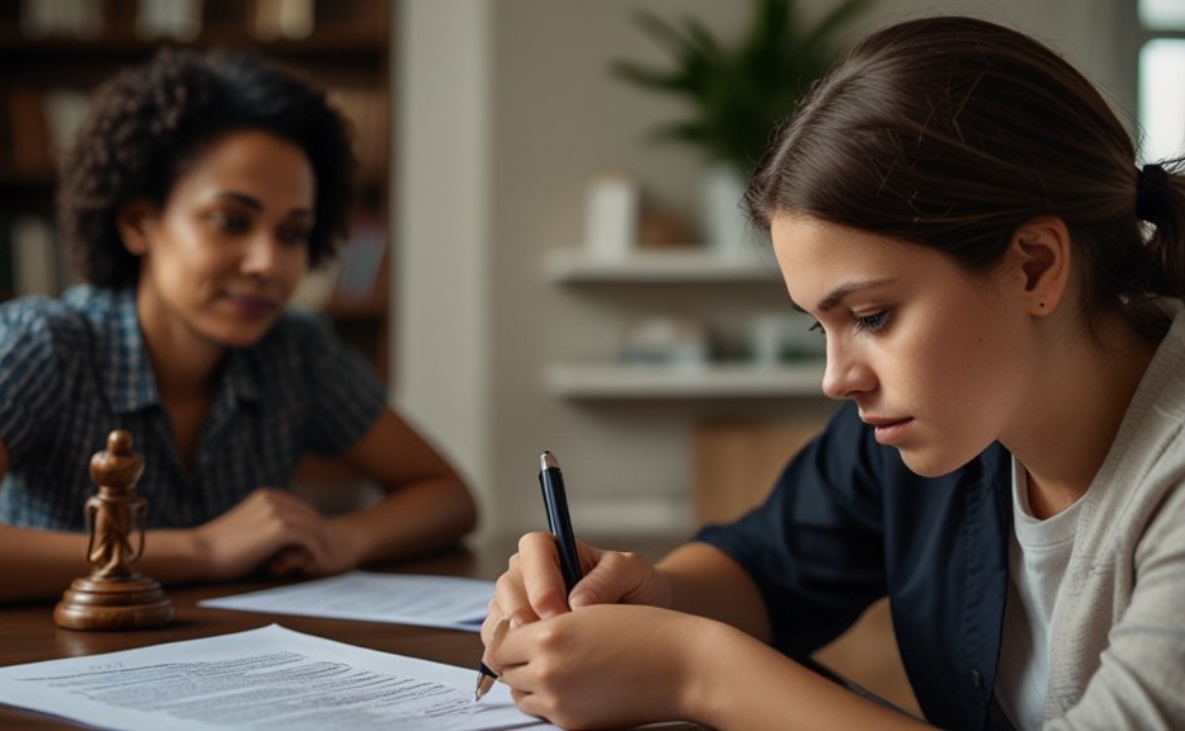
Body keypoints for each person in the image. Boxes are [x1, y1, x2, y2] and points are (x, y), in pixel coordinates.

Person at [482, 16, 1185, 731]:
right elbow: (763, 569)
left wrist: (693, 670)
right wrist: (632, 597)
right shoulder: (935, 423)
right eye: (822, 325)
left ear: (1035, 265)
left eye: (873, 315)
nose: (836, 377)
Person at [0, 49, 477, 612]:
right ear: (139, 222)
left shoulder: (298, 351)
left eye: (293, 233)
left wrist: (342, 539)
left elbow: (447, 495)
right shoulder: (38, 343)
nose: (269, 263)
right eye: (231, 221)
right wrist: (204, 549)